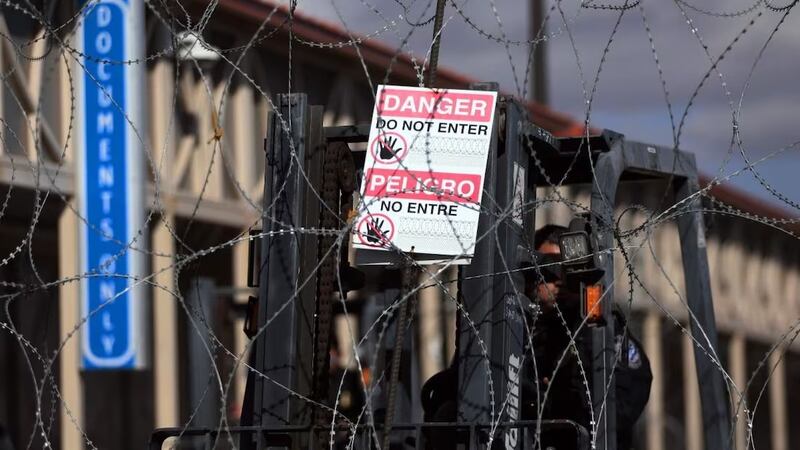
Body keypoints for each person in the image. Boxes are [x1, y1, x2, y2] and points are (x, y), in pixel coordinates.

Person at [522, 224, 652, 450]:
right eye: (550, 269)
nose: (560, 280)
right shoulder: (517, 329)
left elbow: (620, 406)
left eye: (567, 270)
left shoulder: (597, 326)